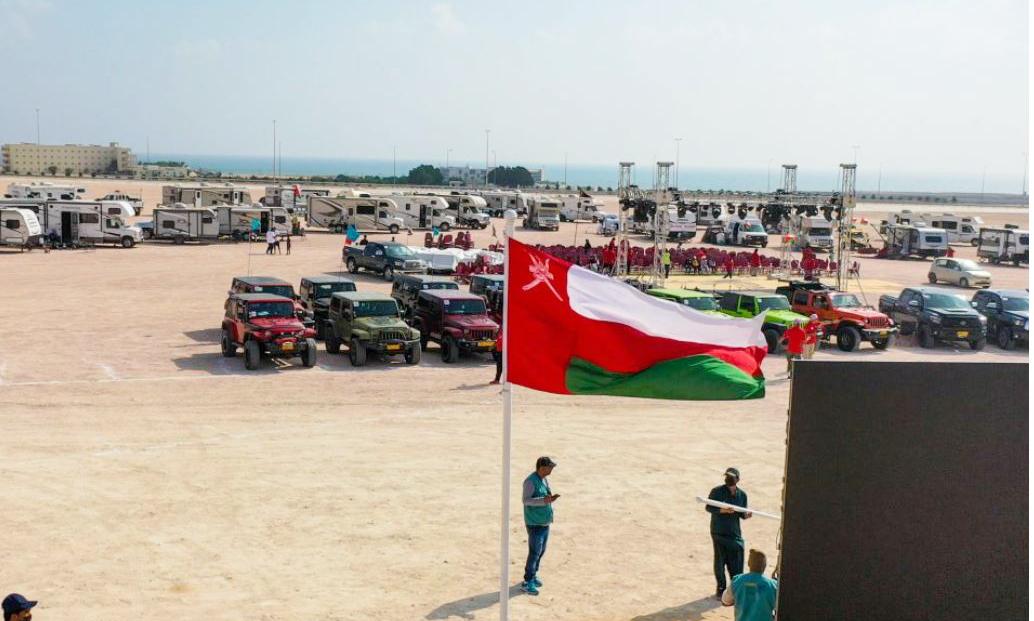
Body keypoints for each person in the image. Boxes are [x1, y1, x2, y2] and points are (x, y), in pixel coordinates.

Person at [706, 467, 751, 598]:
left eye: (731, 477)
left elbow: (742, 514)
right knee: (720, 560)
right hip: (719, 531)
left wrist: (747, 515)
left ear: (738, 479)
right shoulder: (716, 492)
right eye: (727, 477)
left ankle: (735, 587)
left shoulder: (742, 495)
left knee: (736, 560)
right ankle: (721, 588)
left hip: (734, 532)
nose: (729, 479)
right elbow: (709, 507)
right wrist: (723, 510)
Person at [522, 456, 559, 596]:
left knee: (541, 551)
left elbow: (545, 496)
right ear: (542, 468)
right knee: (534, 553)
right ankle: (528, 581)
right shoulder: (530, 481)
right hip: (534, 523)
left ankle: (533, 575)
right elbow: (526, 500)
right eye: (550, 467)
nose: (552, 469)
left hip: (544, 522)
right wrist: (544, 500)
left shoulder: (544, 479)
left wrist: (549, 498)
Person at [721, 548, 778, 621]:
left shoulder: (737, 580)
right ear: (764, 565)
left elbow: (725, 601)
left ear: (748, 563)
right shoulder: (773, 585)